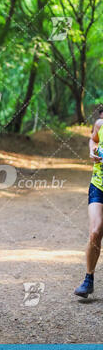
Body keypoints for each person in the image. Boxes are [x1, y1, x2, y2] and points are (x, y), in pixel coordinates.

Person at [74, 116, 103, 297]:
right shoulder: (101, 124)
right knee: (95, 231)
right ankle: (88, 279)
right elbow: (93, 139)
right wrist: (92, 150)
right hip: (99, 185)